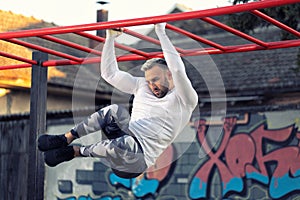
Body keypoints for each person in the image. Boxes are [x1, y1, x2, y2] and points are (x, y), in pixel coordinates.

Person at [38, 23, 198, 178]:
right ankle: (65, 138)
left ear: (169, 75)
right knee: (114, 110)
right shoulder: (142, 86)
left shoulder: (185, 98)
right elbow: (110, 74)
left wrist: (161, 32)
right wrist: (110, 38)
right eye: (148, 81)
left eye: (155, 79)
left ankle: (77, 152)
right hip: (120, 141)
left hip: (136, 161)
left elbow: (177, 69)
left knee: (127, 142)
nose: (151, 85)